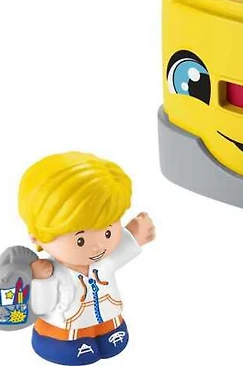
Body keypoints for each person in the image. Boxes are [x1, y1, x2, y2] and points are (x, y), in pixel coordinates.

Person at [18, 152, 155, 363]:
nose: (99, 245)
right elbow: (41, 305)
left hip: (109, 318)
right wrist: (40, 279)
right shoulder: (52, 272)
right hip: (65, 330)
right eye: (80, 240)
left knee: (113, 337)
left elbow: (120, 252)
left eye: (108, 231)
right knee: (70, 346)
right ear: (37, 236)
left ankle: (106, 334)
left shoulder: (104, 261)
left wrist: (133, 235)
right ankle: (68, 343)